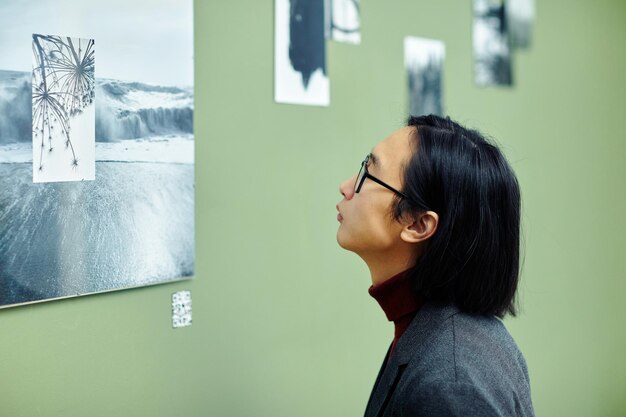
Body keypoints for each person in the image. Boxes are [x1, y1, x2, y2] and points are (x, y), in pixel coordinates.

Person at [336, 115, 535, 417]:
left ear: (417, 224)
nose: (346, 187)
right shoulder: (435, 330)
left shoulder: (450, 384)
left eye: (368, 174)